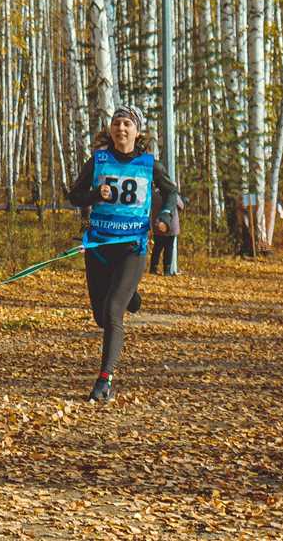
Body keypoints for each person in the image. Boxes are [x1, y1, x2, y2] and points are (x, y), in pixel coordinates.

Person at [67, 105, 178, 402]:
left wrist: (164, 216)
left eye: (127, 123)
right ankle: (131, 296)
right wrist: (93, 195)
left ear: (137, 131)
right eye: (117, 123)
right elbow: (73, 195)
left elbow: (171, 192)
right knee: (101, 318)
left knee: (114, 311)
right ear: (111, 130)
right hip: (99, 248)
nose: (121, 128)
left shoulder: (148, 164)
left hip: (132, 248)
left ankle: (104, 381)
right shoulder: (98, 161)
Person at [149, 191, 185, 275]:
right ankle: (167, 271)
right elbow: (181, 206)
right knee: (169, 248)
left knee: (157, 248)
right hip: (171, 225)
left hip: (158, 224)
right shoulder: (173, 194)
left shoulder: (154, 195)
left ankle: (153, 268)